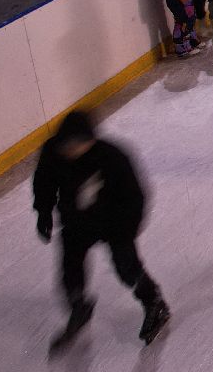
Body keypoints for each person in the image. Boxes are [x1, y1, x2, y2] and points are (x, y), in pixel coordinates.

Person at [32, 111, 170, 352]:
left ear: (91, 141)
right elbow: (43, 182)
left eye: (80, 144)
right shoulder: (52, 152)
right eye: (68, 144)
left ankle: (154, 302)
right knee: (70, 267)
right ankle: (79, 306)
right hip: (76, 221)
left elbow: (135, 196)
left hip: (114, 222)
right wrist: (43, 213)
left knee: (126, 267)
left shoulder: (112, 157)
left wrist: (127, 230)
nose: (73, 149)